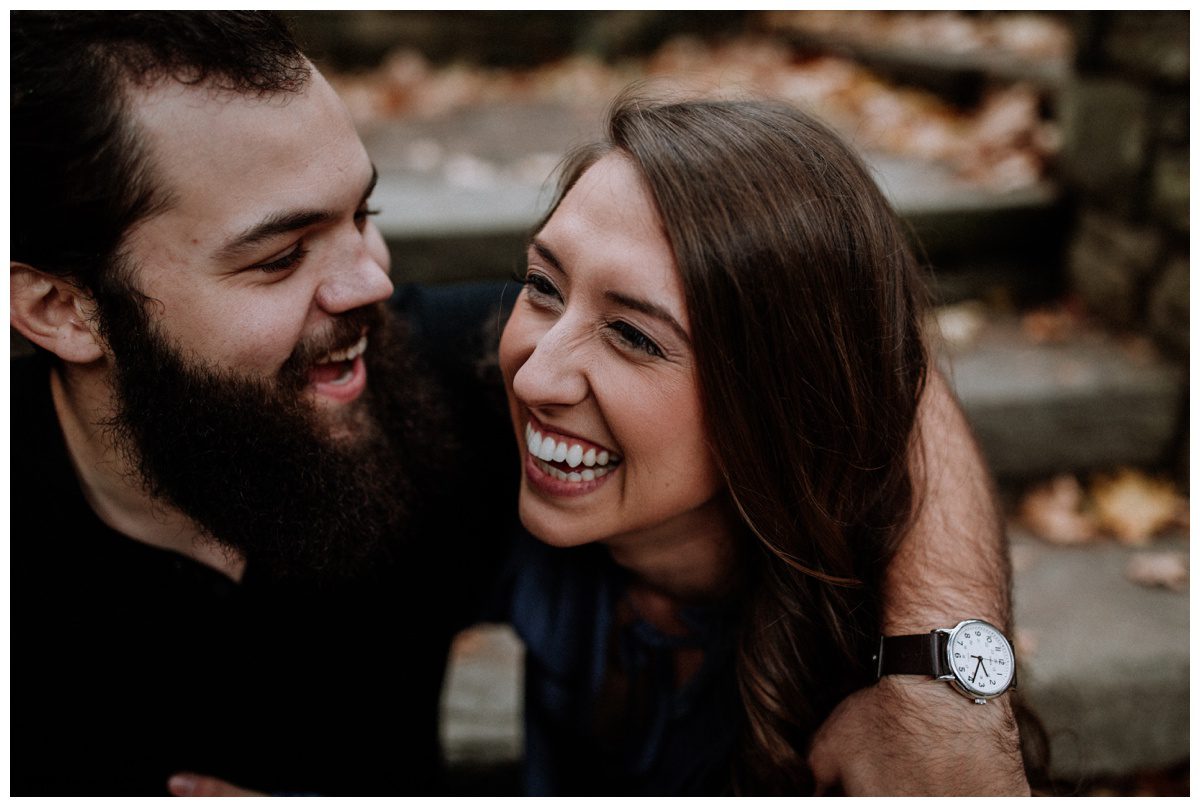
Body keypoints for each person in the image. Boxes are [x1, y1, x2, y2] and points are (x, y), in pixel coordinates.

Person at [9, 10, 1024, 796]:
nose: (370, 284)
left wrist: (944, 676)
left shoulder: (423, 381)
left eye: (365, 214)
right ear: (59, 307)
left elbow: (862, 358)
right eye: (279, 256)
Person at [491, 94, 1031, 794]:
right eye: (542, 284)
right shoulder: (481, 439)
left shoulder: (864, 696)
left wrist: (945, 676)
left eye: (633, 335)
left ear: (781, 397)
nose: (535, 376)